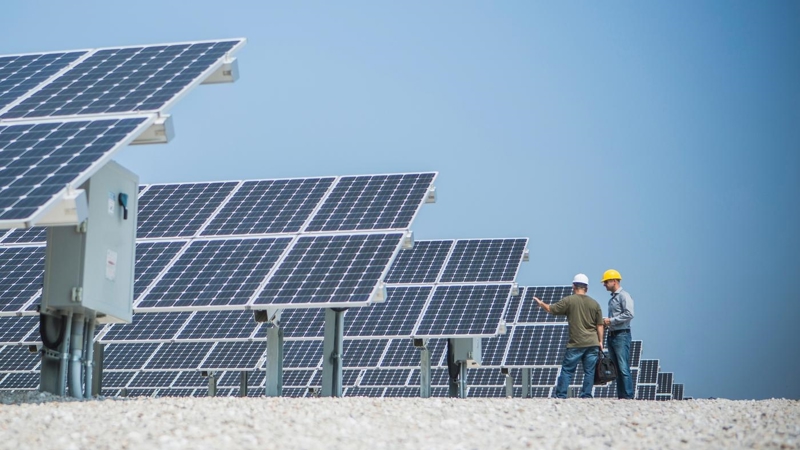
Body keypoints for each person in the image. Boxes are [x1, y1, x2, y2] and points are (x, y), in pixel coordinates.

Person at [534, 274, 604, 399]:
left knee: (567, 370)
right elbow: (600, 325)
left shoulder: (569, 301)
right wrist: (600, 341)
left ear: (573, 286)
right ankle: (586, 395)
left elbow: (551, 309)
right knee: (589, 371)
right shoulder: (595, 304)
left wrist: (541, 304)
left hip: (576, 344)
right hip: (593, 343)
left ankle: (561, 395)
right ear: (586, 288)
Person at [601, 269, 635, 399]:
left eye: (606, 282)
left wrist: (611, 321)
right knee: (616, 368)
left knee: (623, 367)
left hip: (621, 335)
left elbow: (630, 314)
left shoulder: (624, 296)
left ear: (614, 281)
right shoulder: (612, 299)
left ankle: (628, 396)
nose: (604, 284)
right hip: (613, 335)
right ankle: (622, 396)